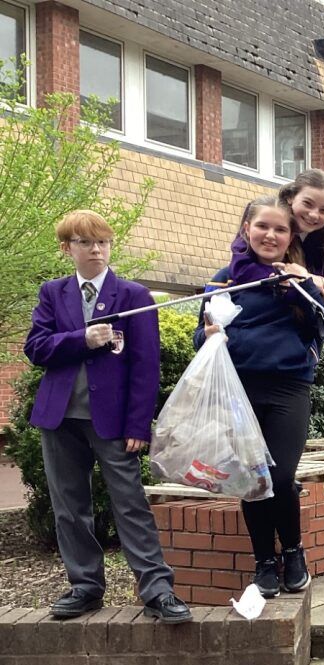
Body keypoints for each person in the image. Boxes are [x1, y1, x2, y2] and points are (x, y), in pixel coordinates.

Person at [25, 210, 191, 623]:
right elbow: (36, 348)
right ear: (68, 249)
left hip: (115, 421)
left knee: (130, 503)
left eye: (103, 242)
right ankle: (85, 587)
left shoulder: (133, 296)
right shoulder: (53, 293)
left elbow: (145, 365)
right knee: (69, 506)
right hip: (59, 417)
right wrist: (81, 338)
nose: (96, 249)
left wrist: (139, 424)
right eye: (85, 242)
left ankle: (157, 589)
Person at [194, 196, 324, 599]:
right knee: (252, 481)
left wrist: (305, 289)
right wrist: (205, 336)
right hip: (239, 390)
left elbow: (323, 328)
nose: (270, 235)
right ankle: (265, 563)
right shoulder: (223, 281)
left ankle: (293, 551)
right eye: (263, 227)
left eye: (280, 229)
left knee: (280, 476)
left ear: (291, 236)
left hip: (289, 388)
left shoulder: (297, 279)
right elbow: (198, 338)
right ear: (246, 229)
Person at [278, 169, 324, 344]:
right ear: (291, 197)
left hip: (307, 343)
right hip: (274, 331)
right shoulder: (269, 224)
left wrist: (306, 280)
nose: (314, 214)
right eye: (308, 203)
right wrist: (300, 276)